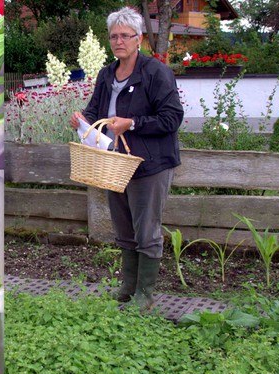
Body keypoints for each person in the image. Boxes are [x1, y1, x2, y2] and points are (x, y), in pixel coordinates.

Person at [70, 7, 183, 311]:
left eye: (125, 35)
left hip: (150, 165)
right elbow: (96, 111)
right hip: (115, 165)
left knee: (146, 231)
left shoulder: (156, 73)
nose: (119, 41)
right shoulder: (108, 74)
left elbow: (173, 117)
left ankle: (145, 296)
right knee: (124, 230)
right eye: (114, 36)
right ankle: (128, 288)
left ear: (139, 38)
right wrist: (83, 118)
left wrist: (131, 123)